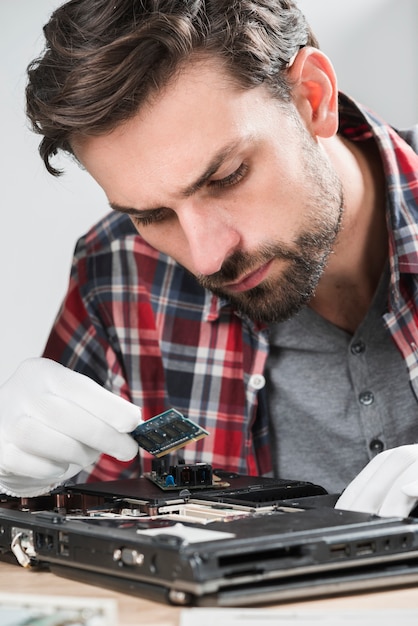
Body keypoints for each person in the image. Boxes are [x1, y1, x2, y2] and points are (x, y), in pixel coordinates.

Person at [0, 0, 417, 517]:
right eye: (153, 214)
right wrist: (13, 484)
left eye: (226, 177)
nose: (207, 259)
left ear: (313, 98)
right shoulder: (117, 272)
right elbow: (54, 532)